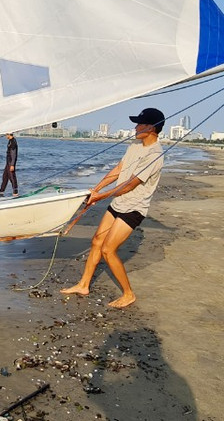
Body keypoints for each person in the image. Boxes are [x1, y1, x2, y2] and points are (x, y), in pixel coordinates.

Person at [61, 107, 167, 308]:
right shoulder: (135, 145)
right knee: (97, 241)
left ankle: (128, 294)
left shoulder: (155, 155)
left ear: (151, 128)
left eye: (139, 124)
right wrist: (96, 189)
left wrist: (100, 197)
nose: (135, 127)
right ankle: (84, 284)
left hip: (134, 209)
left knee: (109, 250)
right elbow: (119, 169)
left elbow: (129, 185)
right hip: (118, 204)